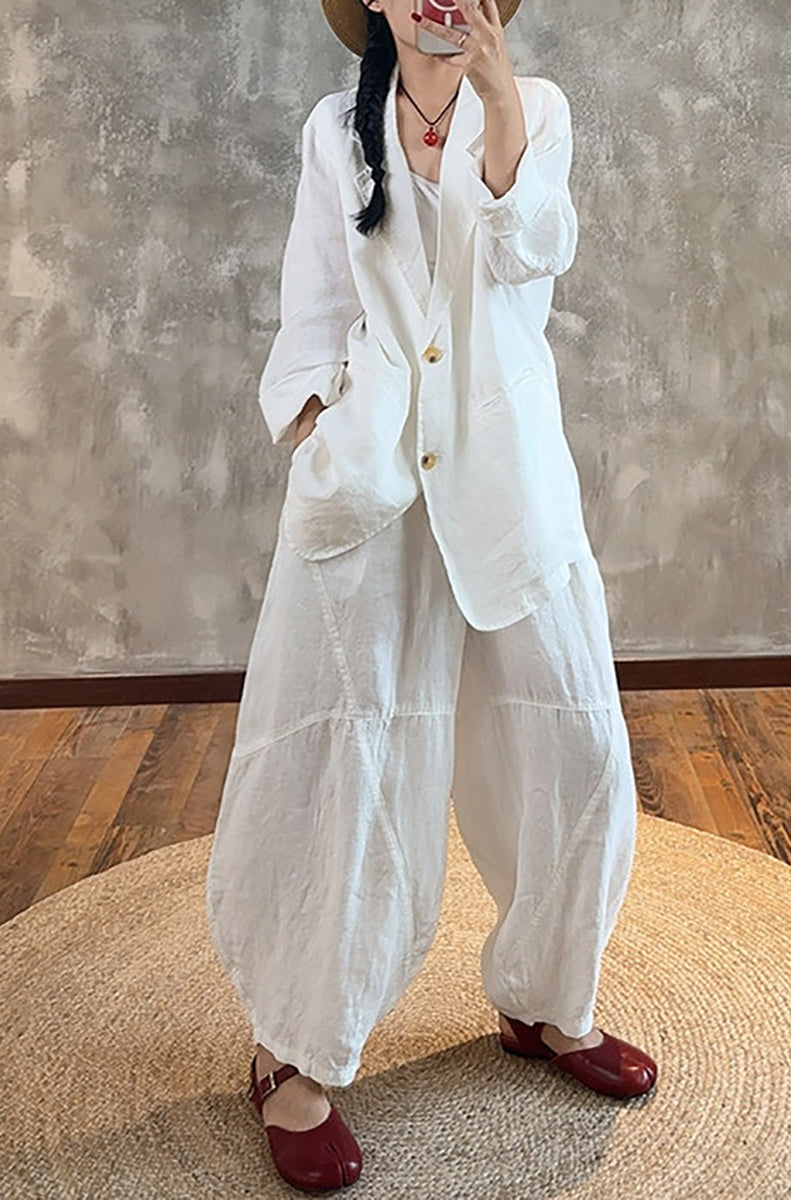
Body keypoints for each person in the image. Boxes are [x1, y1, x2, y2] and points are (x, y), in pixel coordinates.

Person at [205, 0, 657, 1190]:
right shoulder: (333, 131)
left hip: (507, 478)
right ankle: (292, 1051)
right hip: (373, 486)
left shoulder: (537, 108)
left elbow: (534, 248)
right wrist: (319, 428)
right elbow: (314, 301)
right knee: (346, 758)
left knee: (573, 745)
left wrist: (499, 97)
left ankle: (547, 1001)